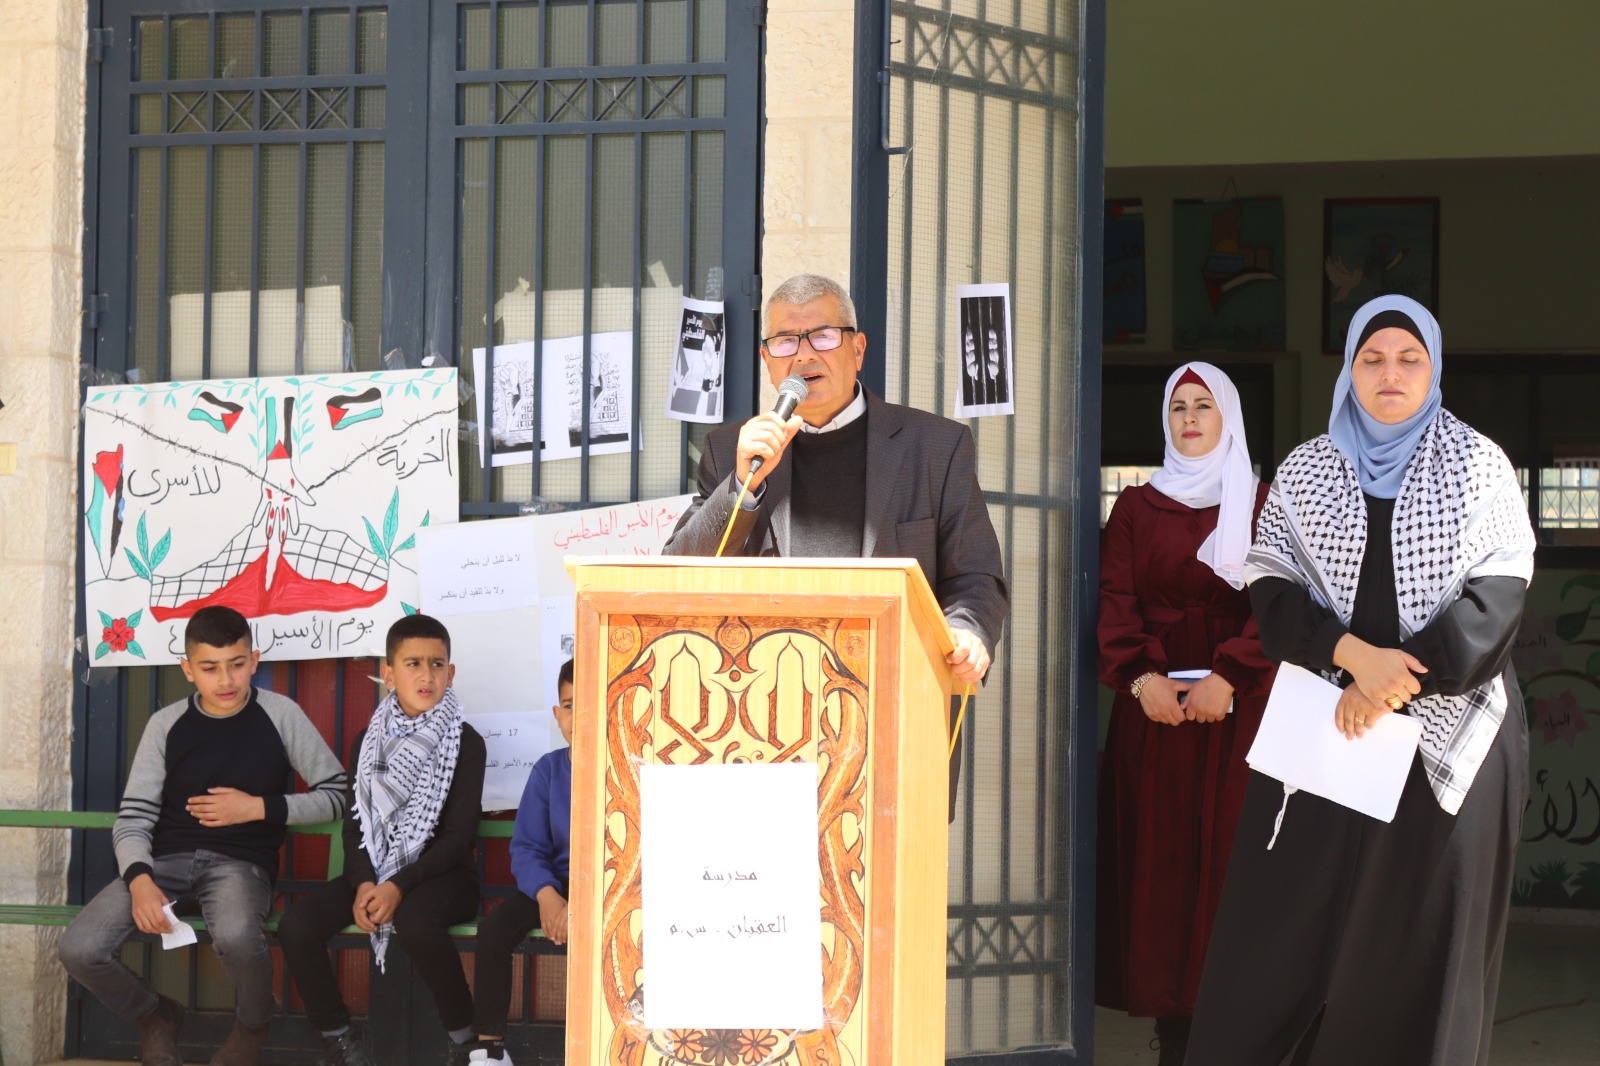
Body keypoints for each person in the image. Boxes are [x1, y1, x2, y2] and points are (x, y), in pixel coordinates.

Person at [1186, 296, 1536, 1066]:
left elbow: (1496, 603)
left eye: (1410, 359)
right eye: (1372, 359)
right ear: (1349, 369)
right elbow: (1272, 591)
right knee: (1279, 931)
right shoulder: (1310, 468)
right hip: (1327, 729)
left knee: (1420, 945)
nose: (1390, 374)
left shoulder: (1478, 466)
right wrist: (1352, 656)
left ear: (1434, 370)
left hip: (1450, 741)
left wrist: (1381, 686)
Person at [663, 273, 1008, 698]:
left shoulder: (935, 446)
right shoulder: (731, 450)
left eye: (823, 337)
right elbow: (678, 572)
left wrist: (968, 630)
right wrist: (741, 484)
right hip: (764, 694)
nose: (804, 354)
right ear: (767, 360)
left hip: (896, 688)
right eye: (785, 342)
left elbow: (975, 573)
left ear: (857, 349)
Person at [59, 605, 348, 1066]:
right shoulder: (165, 724)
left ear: (254, 660)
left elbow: (337, 794)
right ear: (187, 669)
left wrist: (258, 808)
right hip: (162, 866)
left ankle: (252, 1024)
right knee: (79, 948)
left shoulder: (281, 714)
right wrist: (139, 880)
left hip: (240, 867)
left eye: (237, 664)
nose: (226, 680)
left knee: (236, 936)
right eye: (210, 668)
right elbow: (134, 817)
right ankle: (154, 1015)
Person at [1095, 363, 1275, 1065]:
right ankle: (1174, 1040)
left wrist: (1229, 676)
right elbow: (1115, 601)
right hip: (1157, 720)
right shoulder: (1136, 509)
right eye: (1178, 407)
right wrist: (1142, 678)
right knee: (1163, 871)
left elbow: (1282, 605)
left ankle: (1236, 1036)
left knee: (1234, 869)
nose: (1191, 418)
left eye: (1204, 405)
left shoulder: (1262, 504)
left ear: (1229, 417)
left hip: (1239, 717)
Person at [279, 614, 487, 1066]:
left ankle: (466, 1041)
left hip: (445, 878)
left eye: (437, 664)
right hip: (374, 873)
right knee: (297, 925)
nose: (426, 675)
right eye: (413, 664)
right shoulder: (367, 742)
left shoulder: (465, 743)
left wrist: (399, 884)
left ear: (451, 673)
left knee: (415, 920)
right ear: (389, 674)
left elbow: (457, 837)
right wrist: (363, 885)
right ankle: (340, 1039)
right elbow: (356, 825)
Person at [468, 658, 575, 1065]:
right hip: (552, 884)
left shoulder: (628, 766)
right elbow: (528, 847)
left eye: (591, 704)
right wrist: (548, 896)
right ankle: (490, 1049)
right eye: (570, 705)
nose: (579, 716)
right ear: (557, 714)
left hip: (610, 887)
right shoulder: (549, 770)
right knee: (493, 930)